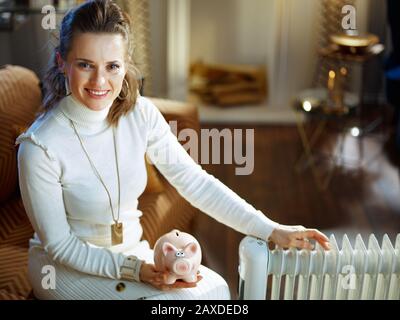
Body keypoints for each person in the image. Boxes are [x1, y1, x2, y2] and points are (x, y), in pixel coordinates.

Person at [16, 0, 330, 300]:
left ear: (126, 66)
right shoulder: (39, 147)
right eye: (85, 65)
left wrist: (271, 230)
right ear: (62, 62)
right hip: (65, 270)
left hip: (132, 252)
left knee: (217, 291)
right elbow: (59, 245)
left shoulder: (139, 113)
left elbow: (195, 183)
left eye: (112, 66)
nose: (100, 80)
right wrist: (135, 269)